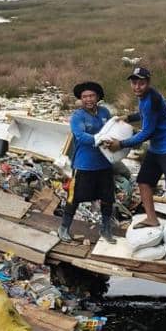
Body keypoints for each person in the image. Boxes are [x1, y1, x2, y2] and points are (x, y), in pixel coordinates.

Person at [104, 67, 166, 232]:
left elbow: (147, 133)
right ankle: (152, 218)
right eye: (134, 83)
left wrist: (120, 144)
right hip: (156, 147)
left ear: (148, 83)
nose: (137, 87)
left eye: (141, 83)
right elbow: (144, 114)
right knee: (144, 182)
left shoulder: (152, 100)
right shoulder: (145, 97)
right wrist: (128, 117)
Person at [59, 81, 117, 245]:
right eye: (84, 97)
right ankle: (63, 228)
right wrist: (100, 139)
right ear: (80, 99)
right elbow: (80, 136)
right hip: (84, 164)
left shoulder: (105, 112)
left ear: (98, 97)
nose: (88, 99)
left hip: (105, 163)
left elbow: (114, 130)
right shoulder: (77, 116)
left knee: (107, 198)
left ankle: (105, 229)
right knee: (74, 197)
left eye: (91, 96)